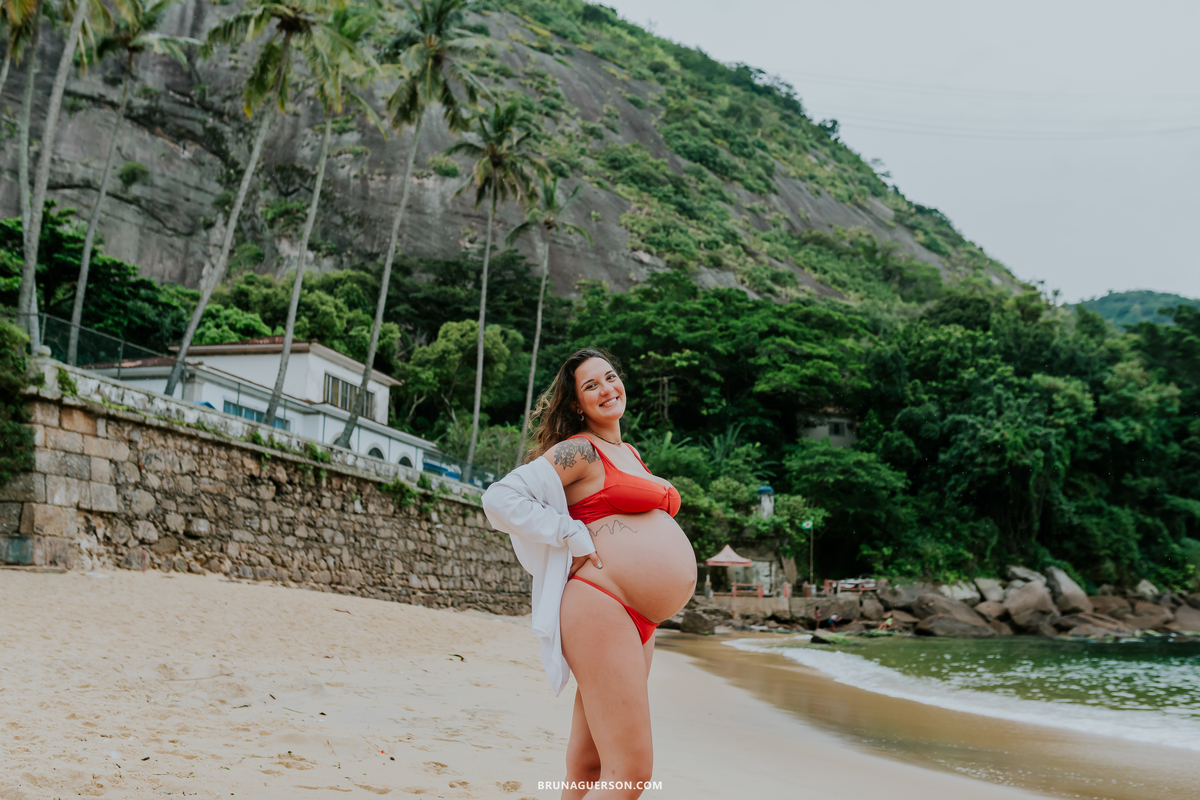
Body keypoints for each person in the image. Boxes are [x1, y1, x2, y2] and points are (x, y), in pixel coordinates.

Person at [483, 348, 696, 799]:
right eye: (591, 385)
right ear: (577, 403)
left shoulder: (631, 452)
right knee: (631, 774)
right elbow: (500, 498)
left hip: (640, 619)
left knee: (588, 765)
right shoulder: (580, 448)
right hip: (602, 604)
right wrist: (570, 534)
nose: (607, 389)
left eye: (611, 377)